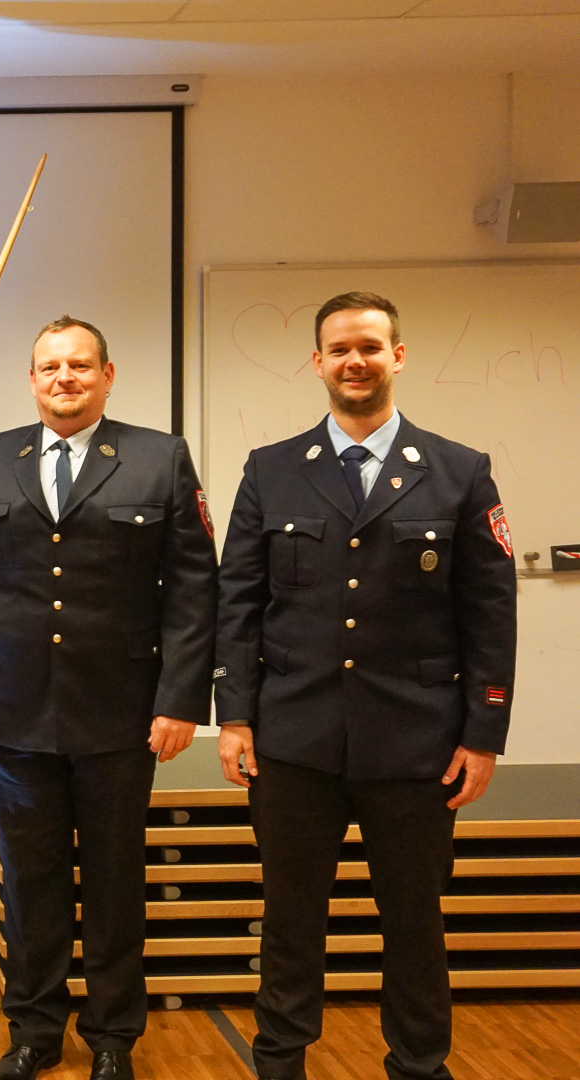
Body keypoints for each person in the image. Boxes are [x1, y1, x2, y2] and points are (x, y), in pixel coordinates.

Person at [213, 292, 517, 1080]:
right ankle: (280, 1063)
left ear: (398, 357)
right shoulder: (271, 470)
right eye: (340, 349)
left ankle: (419, 1065)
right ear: (317, 362)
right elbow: (238, 601)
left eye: (371, 348)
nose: (356, 361)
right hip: (293, 741)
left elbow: (490, 614)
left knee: (415, 923)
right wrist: (234, 717)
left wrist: (483, 735)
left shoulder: (458, 471)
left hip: (417, 746)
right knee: (289, 922)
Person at [0, 317, 218, 1080]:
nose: (65, 378)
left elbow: (194, 586)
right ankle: (34, 1032)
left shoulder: (160, 457)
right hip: (14, 704)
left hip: (122, 709)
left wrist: (181, 698)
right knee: (31, 881)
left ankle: (114, 1037)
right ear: (32, 379)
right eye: (51, 366)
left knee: (116, 879)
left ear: (107, 376)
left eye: (81, 365)